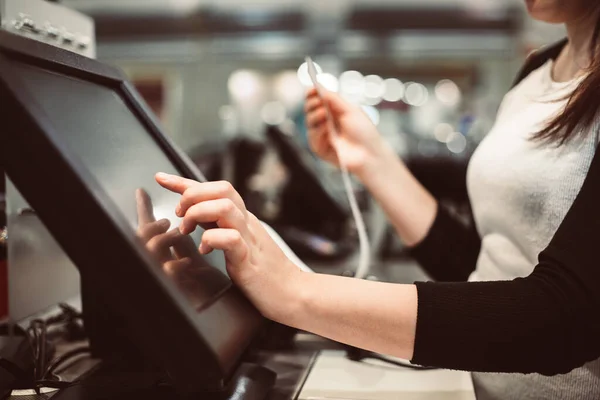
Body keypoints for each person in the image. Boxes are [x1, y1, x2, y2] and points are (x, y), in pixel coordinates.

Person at [155, 0, 600, 398]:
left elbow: (565, 319)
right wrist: (371, 158)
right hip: (473, 384)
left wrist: (296, 292)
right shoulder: (537, 72)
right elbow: (485, 270)